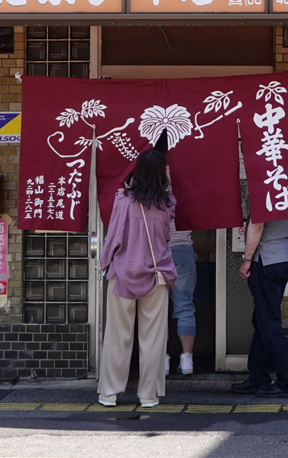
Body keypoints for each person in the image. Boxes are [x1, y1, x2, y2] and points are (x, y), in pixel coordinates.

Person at [97, 149, 178, 409]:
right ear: (161, 173)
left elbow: (115, 237)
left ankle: (110, 393)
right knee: (153, 339)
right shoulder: (168, 203)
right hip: (157, 275)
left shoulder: (123, 200)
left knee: (117, 337)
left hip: (124, 275)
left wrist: (105, 263)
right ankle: (149, 395)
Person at [229, 214, 288, 398]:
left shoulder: (263, 188)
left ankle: (287, 382)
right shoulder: (287, 189)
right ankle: (258, 377)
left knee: (269, 323)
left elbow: (258, 224)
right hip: (284, 256)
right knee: (262, 320)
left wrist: (246, 259)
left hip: (266, 258)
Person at [168, 218, 197, 376]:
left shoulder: (149, 193)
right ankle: (187, 360)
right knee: (185, 305)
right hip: (183, 249)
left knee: (155, 309)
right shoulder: (188, 192)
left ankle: (161, 359)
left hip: (157, 250)